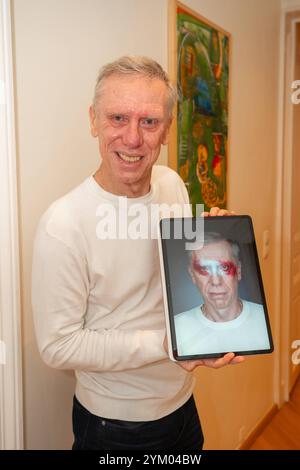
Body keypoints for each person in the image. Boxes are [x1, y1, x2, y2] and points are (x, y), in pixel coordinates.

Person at [32, 56, 243, 452]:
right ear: (93, 120)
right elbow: (57, 346)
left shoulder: (171, 183)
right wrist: (167, 345)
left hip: (182, 405)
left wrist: (219, 236)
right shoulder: (63, 225)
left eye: (149, 121)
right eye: (117, 118)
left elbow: (178, 276)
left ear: (166, 130)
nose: (132, 139)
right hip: (116, 425)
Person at [175, 232, 271, 357]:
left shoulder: (264, 319)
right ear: (193, 275)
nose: (216, 281)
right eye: (204, 269)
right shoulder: (178, 328)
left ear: (239, 271)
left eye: (225, 268)